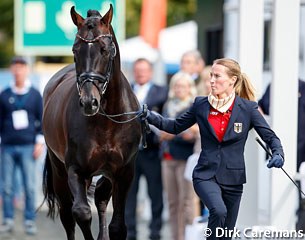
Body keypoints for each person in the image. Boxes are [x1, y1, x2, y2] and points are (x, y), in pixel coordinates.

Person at [143, 58, 284, 240]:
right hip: (205, 174)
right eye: (211, 75)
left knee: (226, 234)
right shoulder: (201, 104)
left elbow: (269, 136)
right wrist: (150, 117)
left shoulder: (247, 108)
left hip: (234, 178)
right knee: (218, 211)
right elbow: (175, 126)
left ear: (232, 80)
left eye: (217, 76)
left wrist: (278, 152)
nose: (211, 80)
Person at [0, 56, 44, 235]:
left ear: (26, 70)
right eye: (15, 67)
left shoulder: (34, 94)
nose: (18, 71)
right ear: (12, 70)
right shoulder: (4, 94)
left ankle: (29, 220)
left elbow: (41, 120)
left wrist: (39, 143)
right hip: (7, 146)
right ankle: (8, 219)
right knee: (7, 186)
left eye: (21, 67)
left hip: (28, 146)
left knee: (30, 186)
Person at [125, 58, 168, 240]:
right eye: (138, 70)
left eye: (144, 70)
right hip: (130, 153)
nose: (141, 73)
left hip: (152, 151)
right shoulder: (125, 91)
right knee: (128, 196)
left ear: (150, 72)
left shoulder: (162, 92)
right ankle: (130, 233)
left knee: (155, 195)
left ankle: (155, 232)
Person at [258, 79, 305, 231]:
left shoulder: (302, 87)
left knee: (299, 184)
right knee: (289, 184)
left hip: (301, 145)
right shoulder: (274, 85)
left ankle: (300, 222)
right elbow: (260, 106)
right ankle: (296, 224)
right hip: (282, 146)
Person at [160, 72, 197, 240]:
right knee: (173, 203)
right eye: (176, 85)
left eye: (183, 86)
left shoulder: (193, 106)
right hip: (167, 159)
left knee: (186, 202)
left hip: (184, 159)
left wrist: (173, 134)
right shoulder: (168, 105)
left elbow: (193, 134)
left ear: (190, 88)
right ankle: (175, 236)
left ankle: (187, 236)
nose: (179, 89)